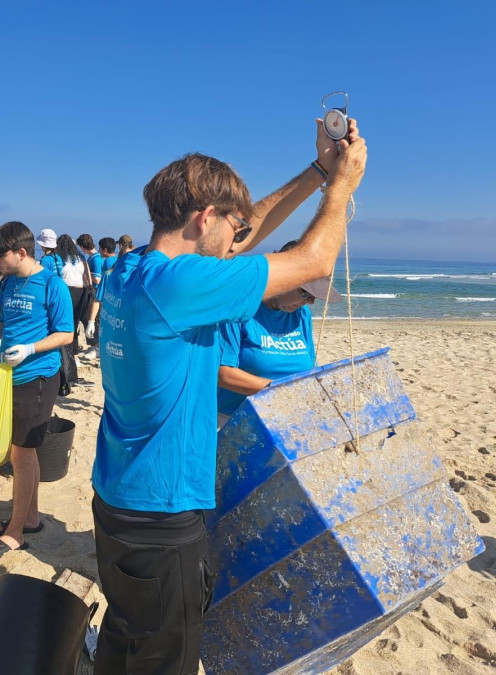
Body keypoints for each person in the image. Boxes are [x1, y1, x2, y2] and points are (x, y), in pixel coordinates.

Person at [91, 120, 367, 674]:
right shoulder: (180, 285)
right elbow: (313, 262)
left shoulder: (130, 270)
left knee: (125, 635)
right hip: (163, 513)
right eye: (231, 223)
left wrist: (316, 171)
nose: (239, 237)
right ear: (204, 217)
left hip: (117, 496)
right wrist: (342, 188)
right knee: (164, 657)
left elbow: (242, 236)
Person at [0, 221, 73, 559]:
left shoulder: (51, 284)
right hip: (8, 376)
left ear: (21, 251)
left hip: (39, 376)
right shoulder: (6, 284)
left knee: (22, 453)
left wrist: (31, 348)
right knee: (17, 450)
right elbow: (2, 321)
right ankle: (29, 519)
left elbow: (66, 334)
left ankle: (15, 533)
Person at [217, 239, 341, 428]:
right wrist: (281, 390)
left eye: (314, 297)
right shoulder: (240, 310)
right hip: (234, 420)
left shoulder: (301, 315)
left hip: (285, 418)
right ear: (283, 276)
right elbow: (223, 374)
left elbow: (309, 368)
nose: (309, 302)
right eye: (304, 293)